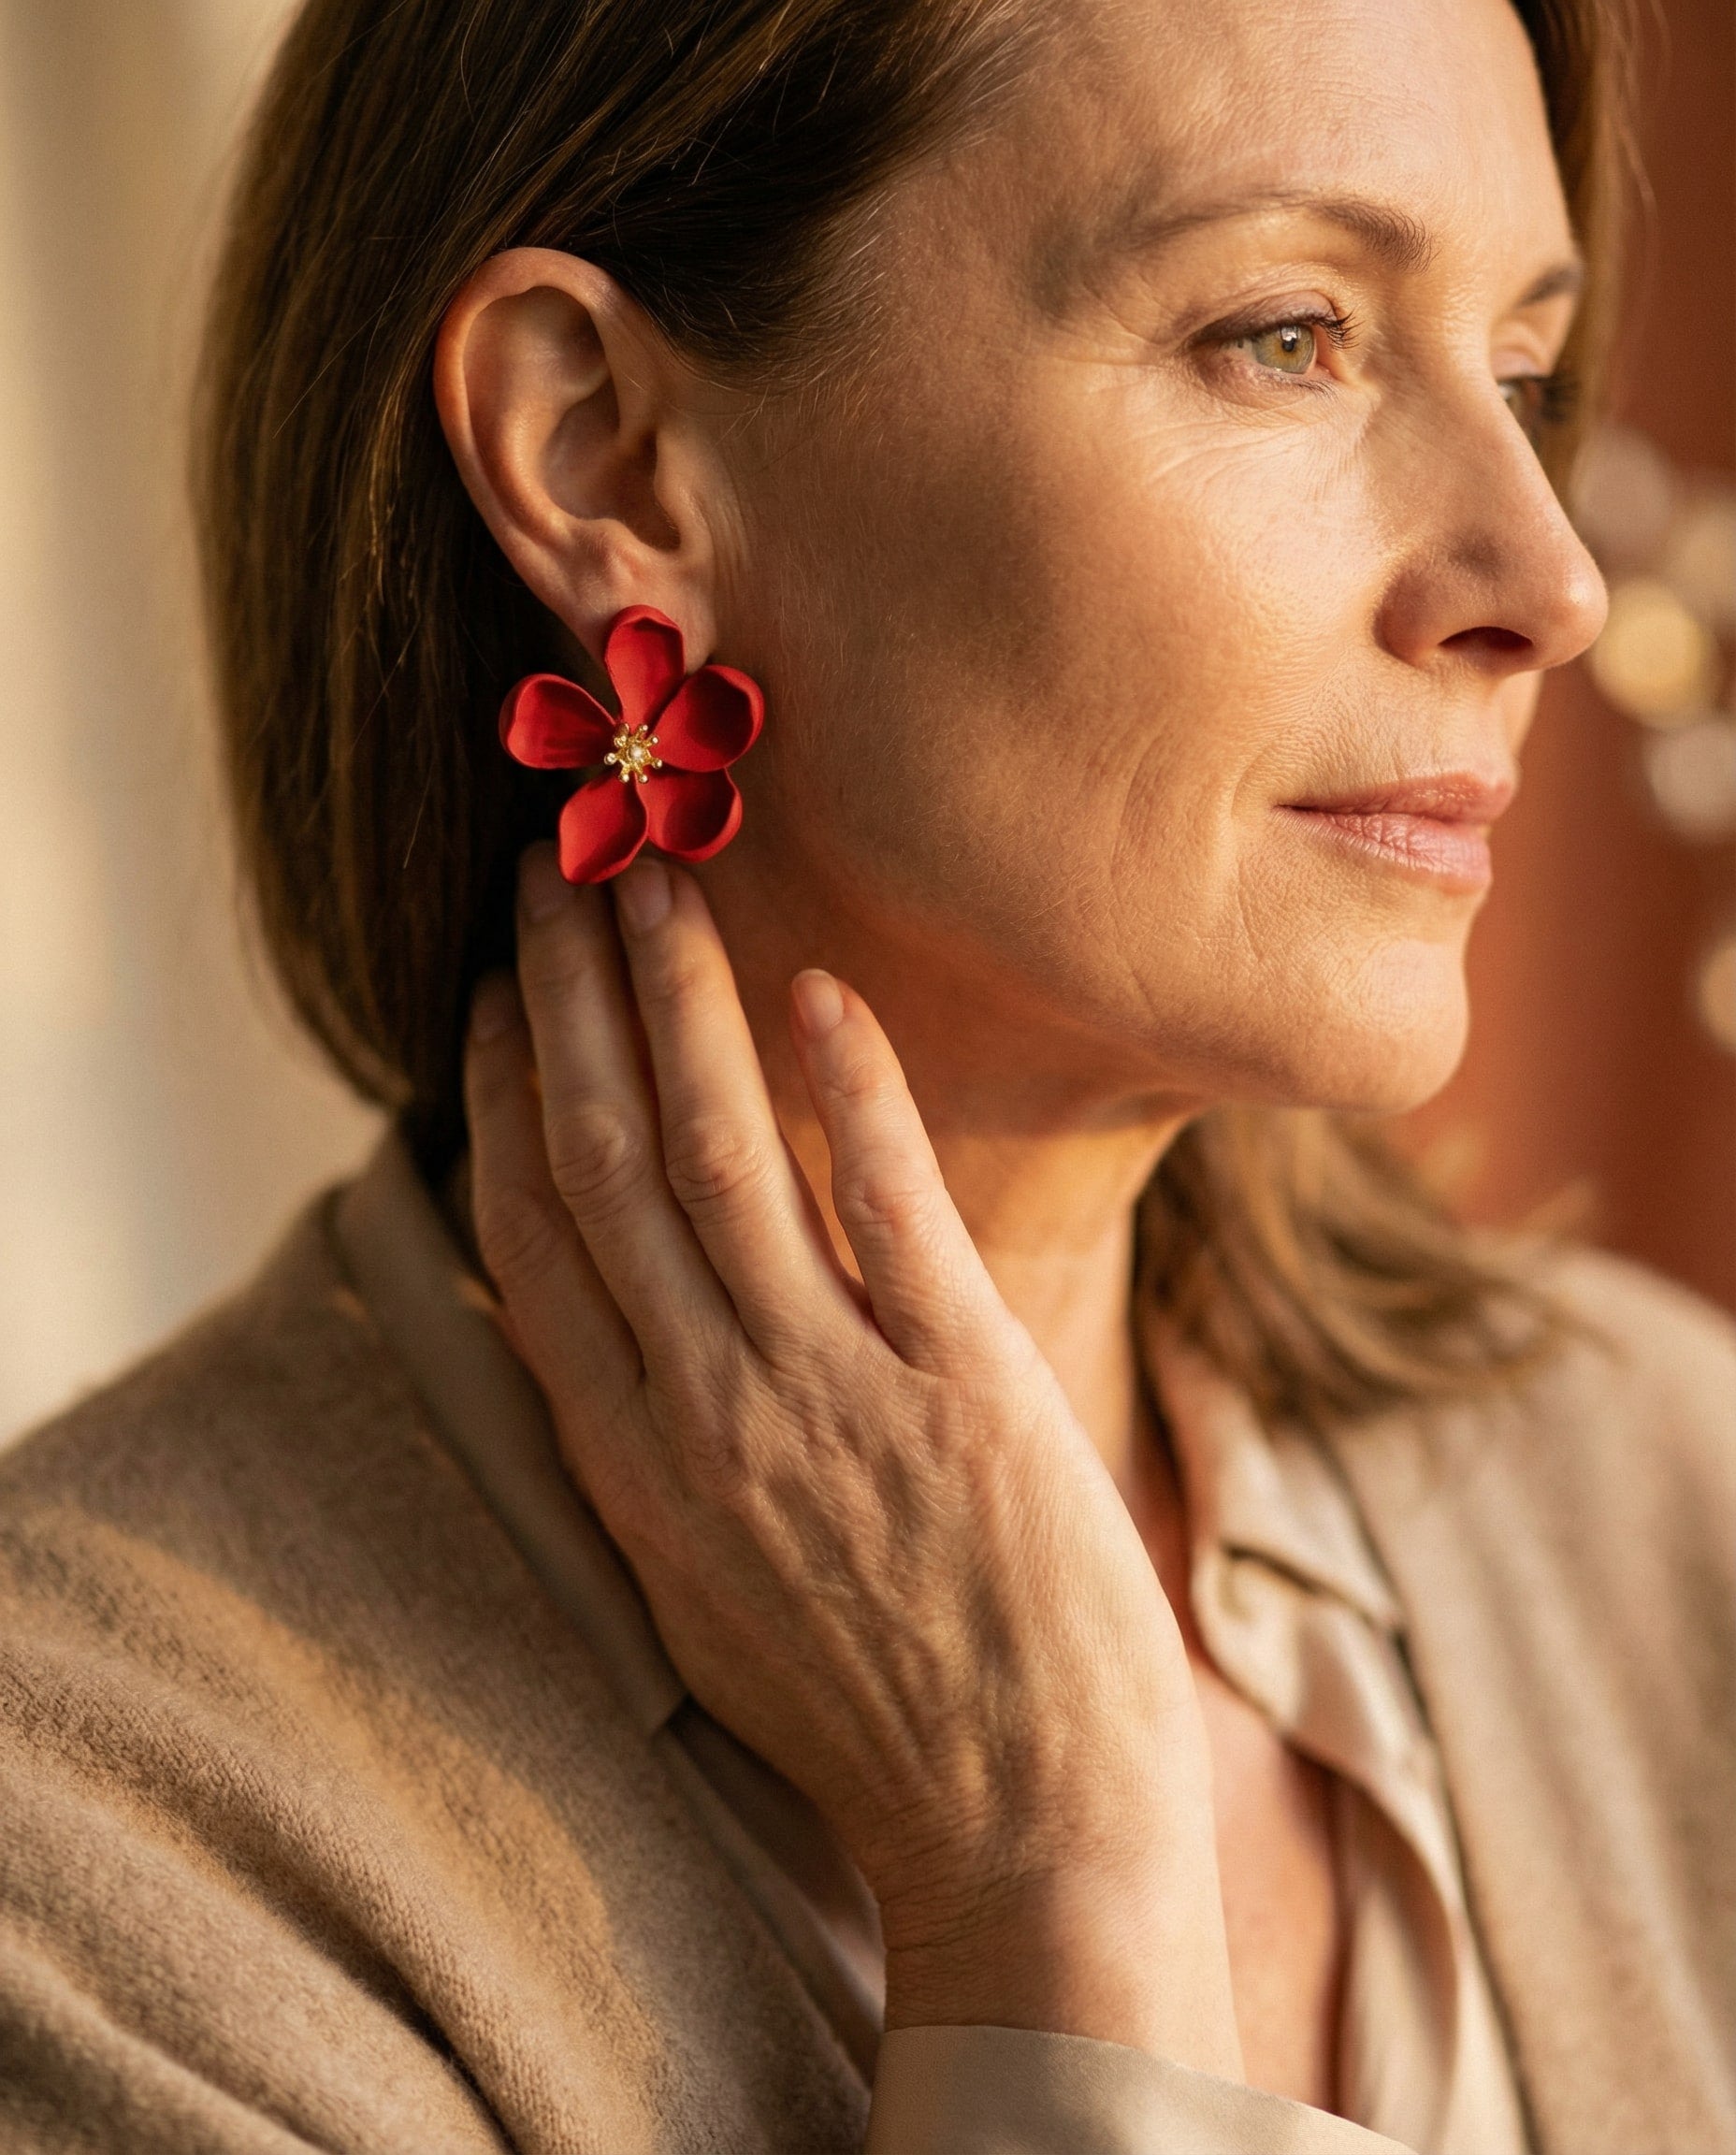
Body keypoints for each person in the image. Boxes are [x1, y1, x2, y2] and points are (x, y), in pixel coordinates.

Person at [2, 0, 1731, 2147]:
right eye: (1286, 334)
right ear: (600, 452)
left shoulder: (1678, 1501)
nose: (1546, 584)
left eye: (1519, 373)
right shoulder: (80, 1857)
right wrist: (1040, 1892)